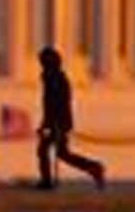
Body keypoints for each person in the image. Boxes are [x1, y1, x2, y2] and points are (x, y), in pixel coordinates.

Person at [37, 46, 106, 190]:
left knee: (45, 150)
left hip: (58, 122)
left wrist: (50, 124)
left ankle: (47, 181)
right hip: (58, 122)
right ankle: (94, 168)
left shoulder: (54, 78)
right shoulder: (53, 77)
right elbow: (50, 104)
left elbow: (55, 104)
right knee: (62, 153)